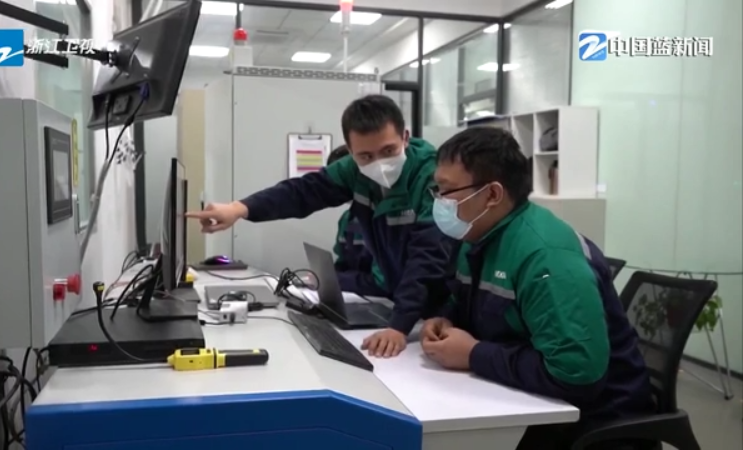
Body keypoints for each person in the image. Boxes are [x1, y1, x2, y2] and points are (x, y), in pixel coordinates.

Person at [420, 127, 654, 449]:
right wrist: (446, 320)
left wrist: (473, 355)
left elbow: (576, 374)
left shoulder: (546, 258)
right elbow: (474, 303)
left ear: (492, 194)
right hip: (524, 402)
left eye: (447, 191)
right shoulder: (477, 236)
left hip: (593, 425)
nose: (439, 201)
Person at [186, 95, 454, 358]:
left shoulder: (431, 177)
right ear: (351, 152)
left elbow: (428, 255)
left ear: (405, 137)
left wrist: (399, 326)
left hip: (442, 304)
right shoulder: (353, 171)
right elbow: (302, 192)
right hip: (402, 306)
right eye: (365, 156)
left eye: (388, 151)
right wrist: (239, 208)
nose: (379, 164)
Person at [326, 145, 388, 298]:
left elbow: (380, 283)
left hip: (385, 301)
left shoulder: (386, 219)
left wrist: (334, 280)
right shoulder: (347, 218)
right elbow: (343, 264)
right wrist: (324, 278)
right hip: (357, 298)